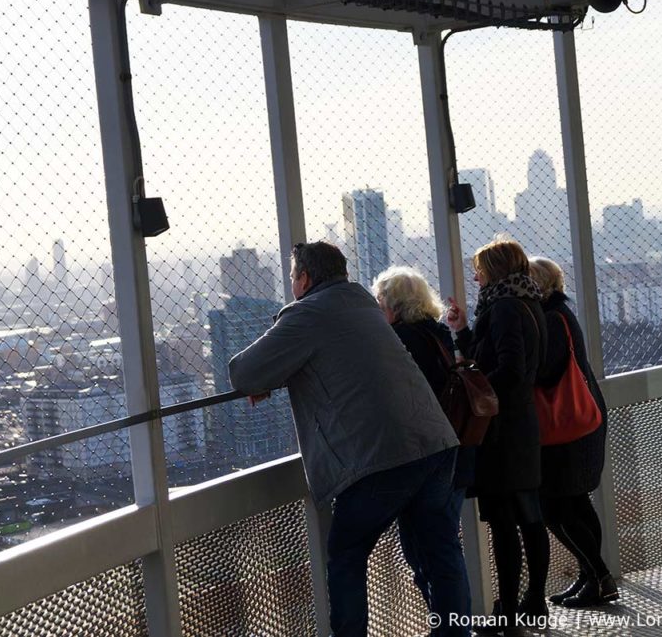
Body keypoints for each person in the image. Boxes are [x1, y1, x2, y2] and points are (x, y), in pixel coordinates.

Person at [229, 242, 471, 636]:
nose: (292, 283)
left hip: (380, 457)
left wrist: (271, 375)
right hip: (435, 443)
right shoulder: (364, 305)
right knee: (442, 551)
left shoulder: (305, 314)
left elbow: (244, 373)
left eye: (292, 276)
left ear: (304, 279)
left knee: (346, 556)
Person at [447, 237, 549, 632]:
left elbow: (507, 367)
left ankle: (507, 613)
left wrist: (475, 390)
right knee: (529, 516)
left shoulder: (504, 307)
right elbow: (514, 363)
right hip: (522, 423)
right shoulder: (529, 302)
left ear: (494, 270)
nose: (475, 277)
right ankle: (533, 602)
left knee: (505, 524)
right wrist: (462, 332)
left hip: (501, 430)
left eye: (480, 270)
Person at [371, 266, 475, 609]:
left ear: (393, 305)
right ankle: (454, 626)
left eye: (379, 300)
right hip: (456, 450)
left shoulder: (400, 341)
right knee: (443, 548)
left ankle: (448, 625)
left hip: (423, 458)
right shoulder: (437, 333)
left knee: (424, 552)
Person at [529, 256, 618, 608]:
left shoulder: (549, 320)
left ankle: (598, 575)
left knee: (555, 507)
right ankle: (590, 577)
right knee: (576, 502)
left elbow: (545, 373)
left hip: (565, 427)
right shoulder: (561, 314)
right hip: (582, 421)